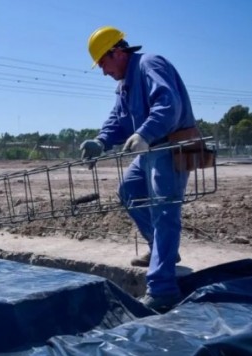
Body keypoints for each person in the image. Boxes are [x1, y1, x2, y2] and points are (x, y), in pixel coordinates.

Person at [79, 26, 198, 312]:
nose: (103, 71)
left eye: (103, 63)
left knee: (164, 210)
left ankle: (162, 289)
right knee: (129, 190)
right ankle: (161, 250)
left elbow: (169, 105)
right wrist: (100, 140)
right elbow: (118, 120)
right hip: (150, 148)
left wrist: (144, 133)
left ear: (117, 52)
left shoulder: (149, 64)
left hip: (170, 145)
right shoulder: (125, 84)